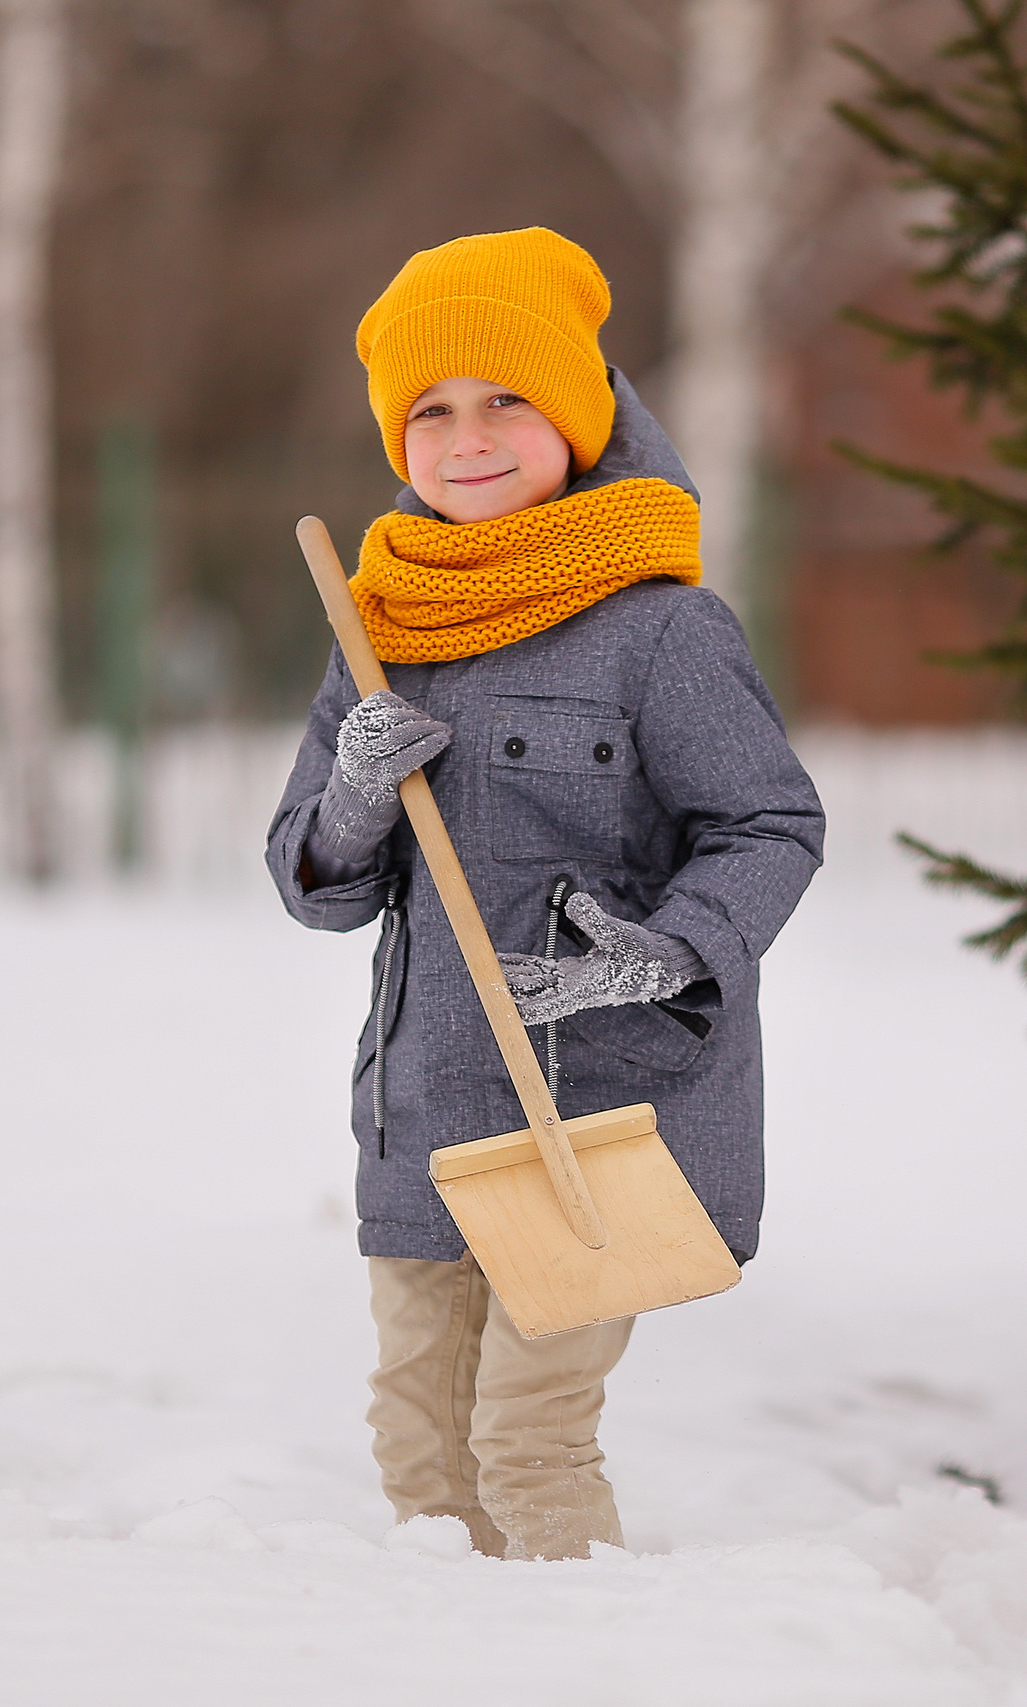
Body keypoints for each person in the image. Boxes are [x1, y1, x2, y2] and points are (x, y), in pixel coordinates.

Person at [265, 227, 823, 1560]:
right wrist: (351, 795)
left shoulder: (658, 628)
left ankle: (582, 1664)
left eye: (507, 397)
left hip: (597, 1110)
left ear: (575, 412)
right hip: (428, 1107)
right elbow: (315, 883)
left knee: (527, 1442)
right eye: (434, 410)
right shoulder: (380, 625)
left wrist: (662, 953)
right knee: (420, 1451)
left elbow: (770, 825)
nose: (471, 435)